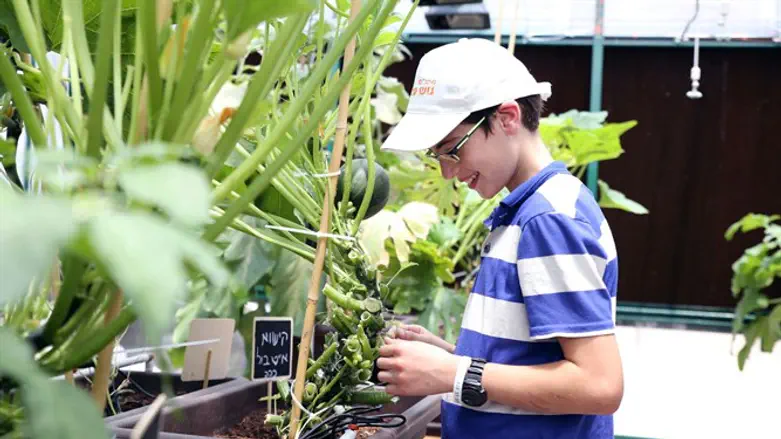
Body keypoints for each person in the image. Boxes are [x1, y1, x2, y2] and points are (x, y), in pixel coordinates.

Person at [376, 38, 623, 438]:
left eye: (452, 149)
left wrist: (452, 372)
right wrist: (448, 355)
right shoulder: (526, 210)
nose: (447, 173)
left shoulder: (547, 219)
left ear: (507, 117)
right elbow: (531, 361)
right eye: (436, 156)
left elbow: (598, 386)